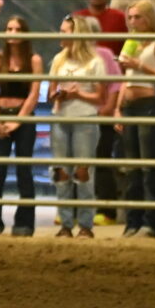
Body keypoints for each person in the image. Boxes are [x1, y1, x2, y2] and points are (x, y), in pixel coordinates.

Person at [45, 14, 114, 239]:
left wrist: (78, 94)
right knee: (61, 172)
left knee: (83, 172)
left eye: (64, 31)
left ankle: (85, 224)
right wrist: (58, 95)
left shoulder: (95, 62)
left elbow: (101, 97)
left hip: (85, 119)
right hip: (60, 117)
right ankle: (65, 223)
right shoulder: (58, 59)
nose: (60, 35)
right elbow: (50, 92)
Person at [114, 3, 155, 238]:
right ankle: (133, 221)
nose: (133, 21)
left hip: (148, 103)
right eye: (130, 17)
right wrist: (118, 108)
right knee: (132, 168)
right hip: (128, 104)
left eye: (138, 17)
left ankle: (152, 222)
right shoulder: (131, 40)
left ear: (149, 17)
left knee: (148, 166)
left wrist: (141, 66)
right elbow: (125, 77)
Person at [0, 16, 40, 236]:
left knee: (24, 171)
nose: (12, 33)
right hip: (2, 116)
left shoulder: (33, 60)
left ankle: (25, 223)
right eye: (9, 28)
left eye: (17, 29)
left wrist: (18, 120)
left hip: (24, 117)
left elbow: (34, 94)